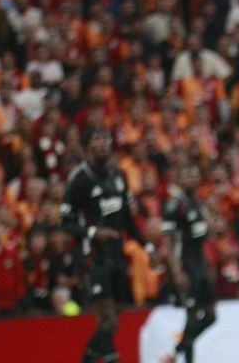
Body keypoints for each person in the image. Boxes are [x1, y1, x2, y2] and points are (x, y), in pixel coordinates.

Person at [62, 127, 151, 363]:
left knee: (112, 325)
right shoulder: (79, 179)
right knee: (107, 321)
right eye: (96, 140)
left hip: (116, 256)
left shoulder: (119, 175)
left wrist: (147, 246)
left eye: (105, 140)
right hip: (92, 258)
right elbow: (66, 222)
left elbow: (127, 220)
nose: (102, 144)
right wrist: (94, 233)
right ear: (86, 148)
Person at [160, 163, 216, 363]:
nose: (191, 179)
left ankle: (176, 352)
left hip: (200, 264)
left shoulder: (199, 204)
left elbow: (205, 236)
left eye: (194, 175)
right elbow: (168, 240)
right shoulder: (174, 206)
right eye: (186, 176)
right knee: (191, 316)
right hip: (185, 266)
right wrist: (177, 272)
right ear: (179, 180)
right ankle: (183, 357)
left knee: (210, 317)